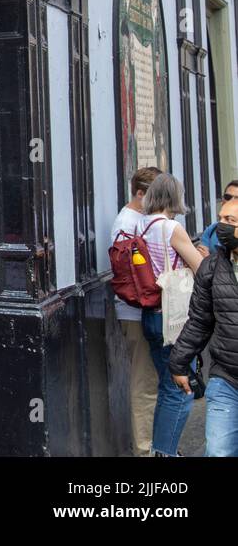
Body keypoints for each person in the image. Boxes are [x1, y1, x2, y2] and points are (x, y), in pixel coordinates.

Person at [137, 173, 203, 456]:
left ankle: (161, 450)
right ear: (175, 197)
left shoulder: (142, 225)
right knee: (181, 389)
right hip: (174, 319)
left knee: (167, 386)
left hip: (150, 315)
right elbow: (201, 269)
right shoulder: (171, 227)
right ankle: (166, 452)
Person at [170, 195, 238, 457]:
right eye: (220, 218)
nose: (221, 225)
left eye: (230, 220)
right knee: (219, 451)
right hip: (227, 379)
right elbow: (200, 320)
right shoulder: (212, 267)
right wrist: (179, 362)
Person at [110, 165, 162, 456]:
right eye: (155, 196)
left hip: (142, 311)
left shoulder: (138, 220)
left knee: (151, 382)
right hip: (136, 313)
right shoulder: (127, 224)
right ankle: (144, 450)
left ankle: (155, 447)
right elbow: (132, 277)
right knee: (144, 384)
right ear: (140, 194)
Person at [199, 180, 238, 256]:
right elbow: (200, 255)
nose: (231, 201)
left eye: (236, 198)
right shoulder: (212, 229)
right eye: (227, 197)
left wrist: (209, 259)